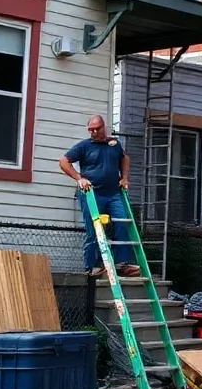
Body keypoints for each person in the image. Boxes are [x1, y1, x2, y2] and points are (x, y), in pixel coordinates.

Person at [58, 115, 140, 277]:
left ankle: (121, 263)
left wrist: (124, 177)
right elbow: (63, 161)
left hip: (114, 193)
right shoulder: (84, 146)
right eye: (91, 130)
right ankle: (92, 265)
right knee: (94, 228)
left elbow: (125, 158)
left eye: (97, 128)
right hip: (92, 193)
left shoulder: (114, 144)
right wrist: (79, 178)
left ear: (104, 127)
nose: (94, 132)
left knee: (122, 223)